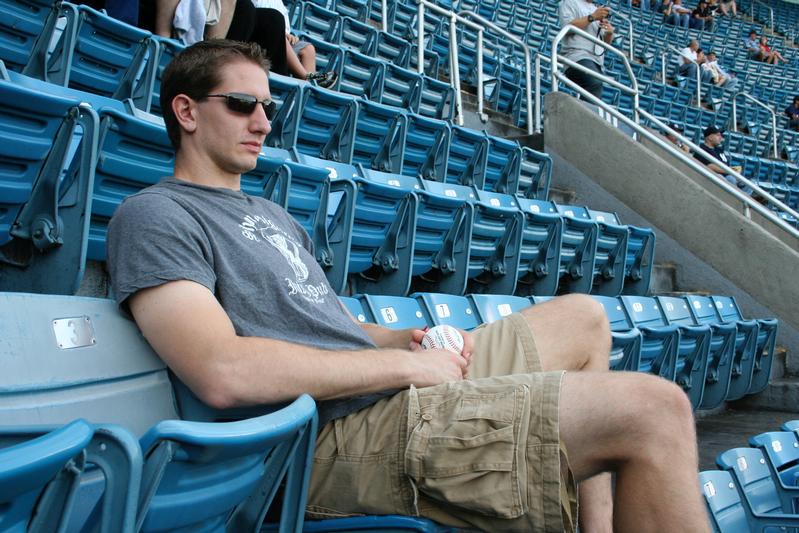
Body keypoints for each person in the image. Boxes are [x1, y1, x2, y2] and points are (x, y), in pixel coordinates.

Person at [106, 39, 711, 533]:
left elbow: (324, 323)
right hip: (322, 439)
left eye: (270, 107)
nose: (263, 122)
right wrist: (403, 371)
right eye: (241, 105)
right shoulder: (155, 215)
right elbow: (222, 372)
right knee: (655, 410)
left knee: (585, 318)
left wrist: (401, 341)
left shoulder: (270, 214)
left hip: (387, 395)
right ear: (186, 112)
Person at [558, 0, 616, 99]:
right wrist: (592, 17)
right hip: (577, 55)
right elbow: (567, 28)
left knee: (595, 89)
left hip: (596, 61)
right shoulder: (569, 2)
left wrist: (609, 33)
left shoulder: (597, 9)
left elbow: (605, 45)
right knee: (594, 84)